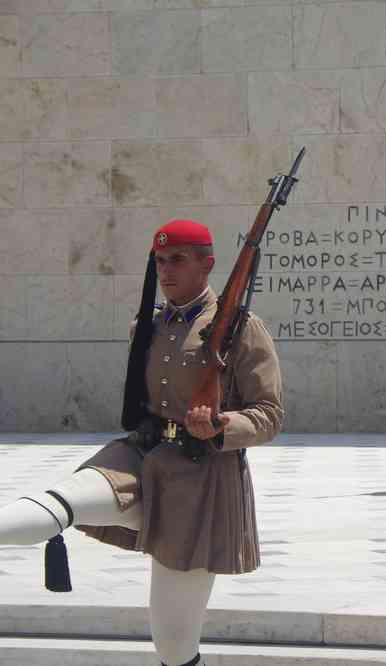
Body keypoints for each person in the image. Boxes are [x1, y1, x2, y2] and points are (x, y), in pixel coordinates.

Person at [0, 219, 283, 666]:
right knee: (60, 500)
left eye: (178, 260)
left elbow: (268, 414)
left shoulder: (241, 329)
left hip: (200, 479)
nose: (166, 270)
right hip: (140, 455)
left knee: (174, 646)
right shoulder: (146, 326)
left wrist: (222, 424)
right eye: (160, 261)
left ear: (207, 265)